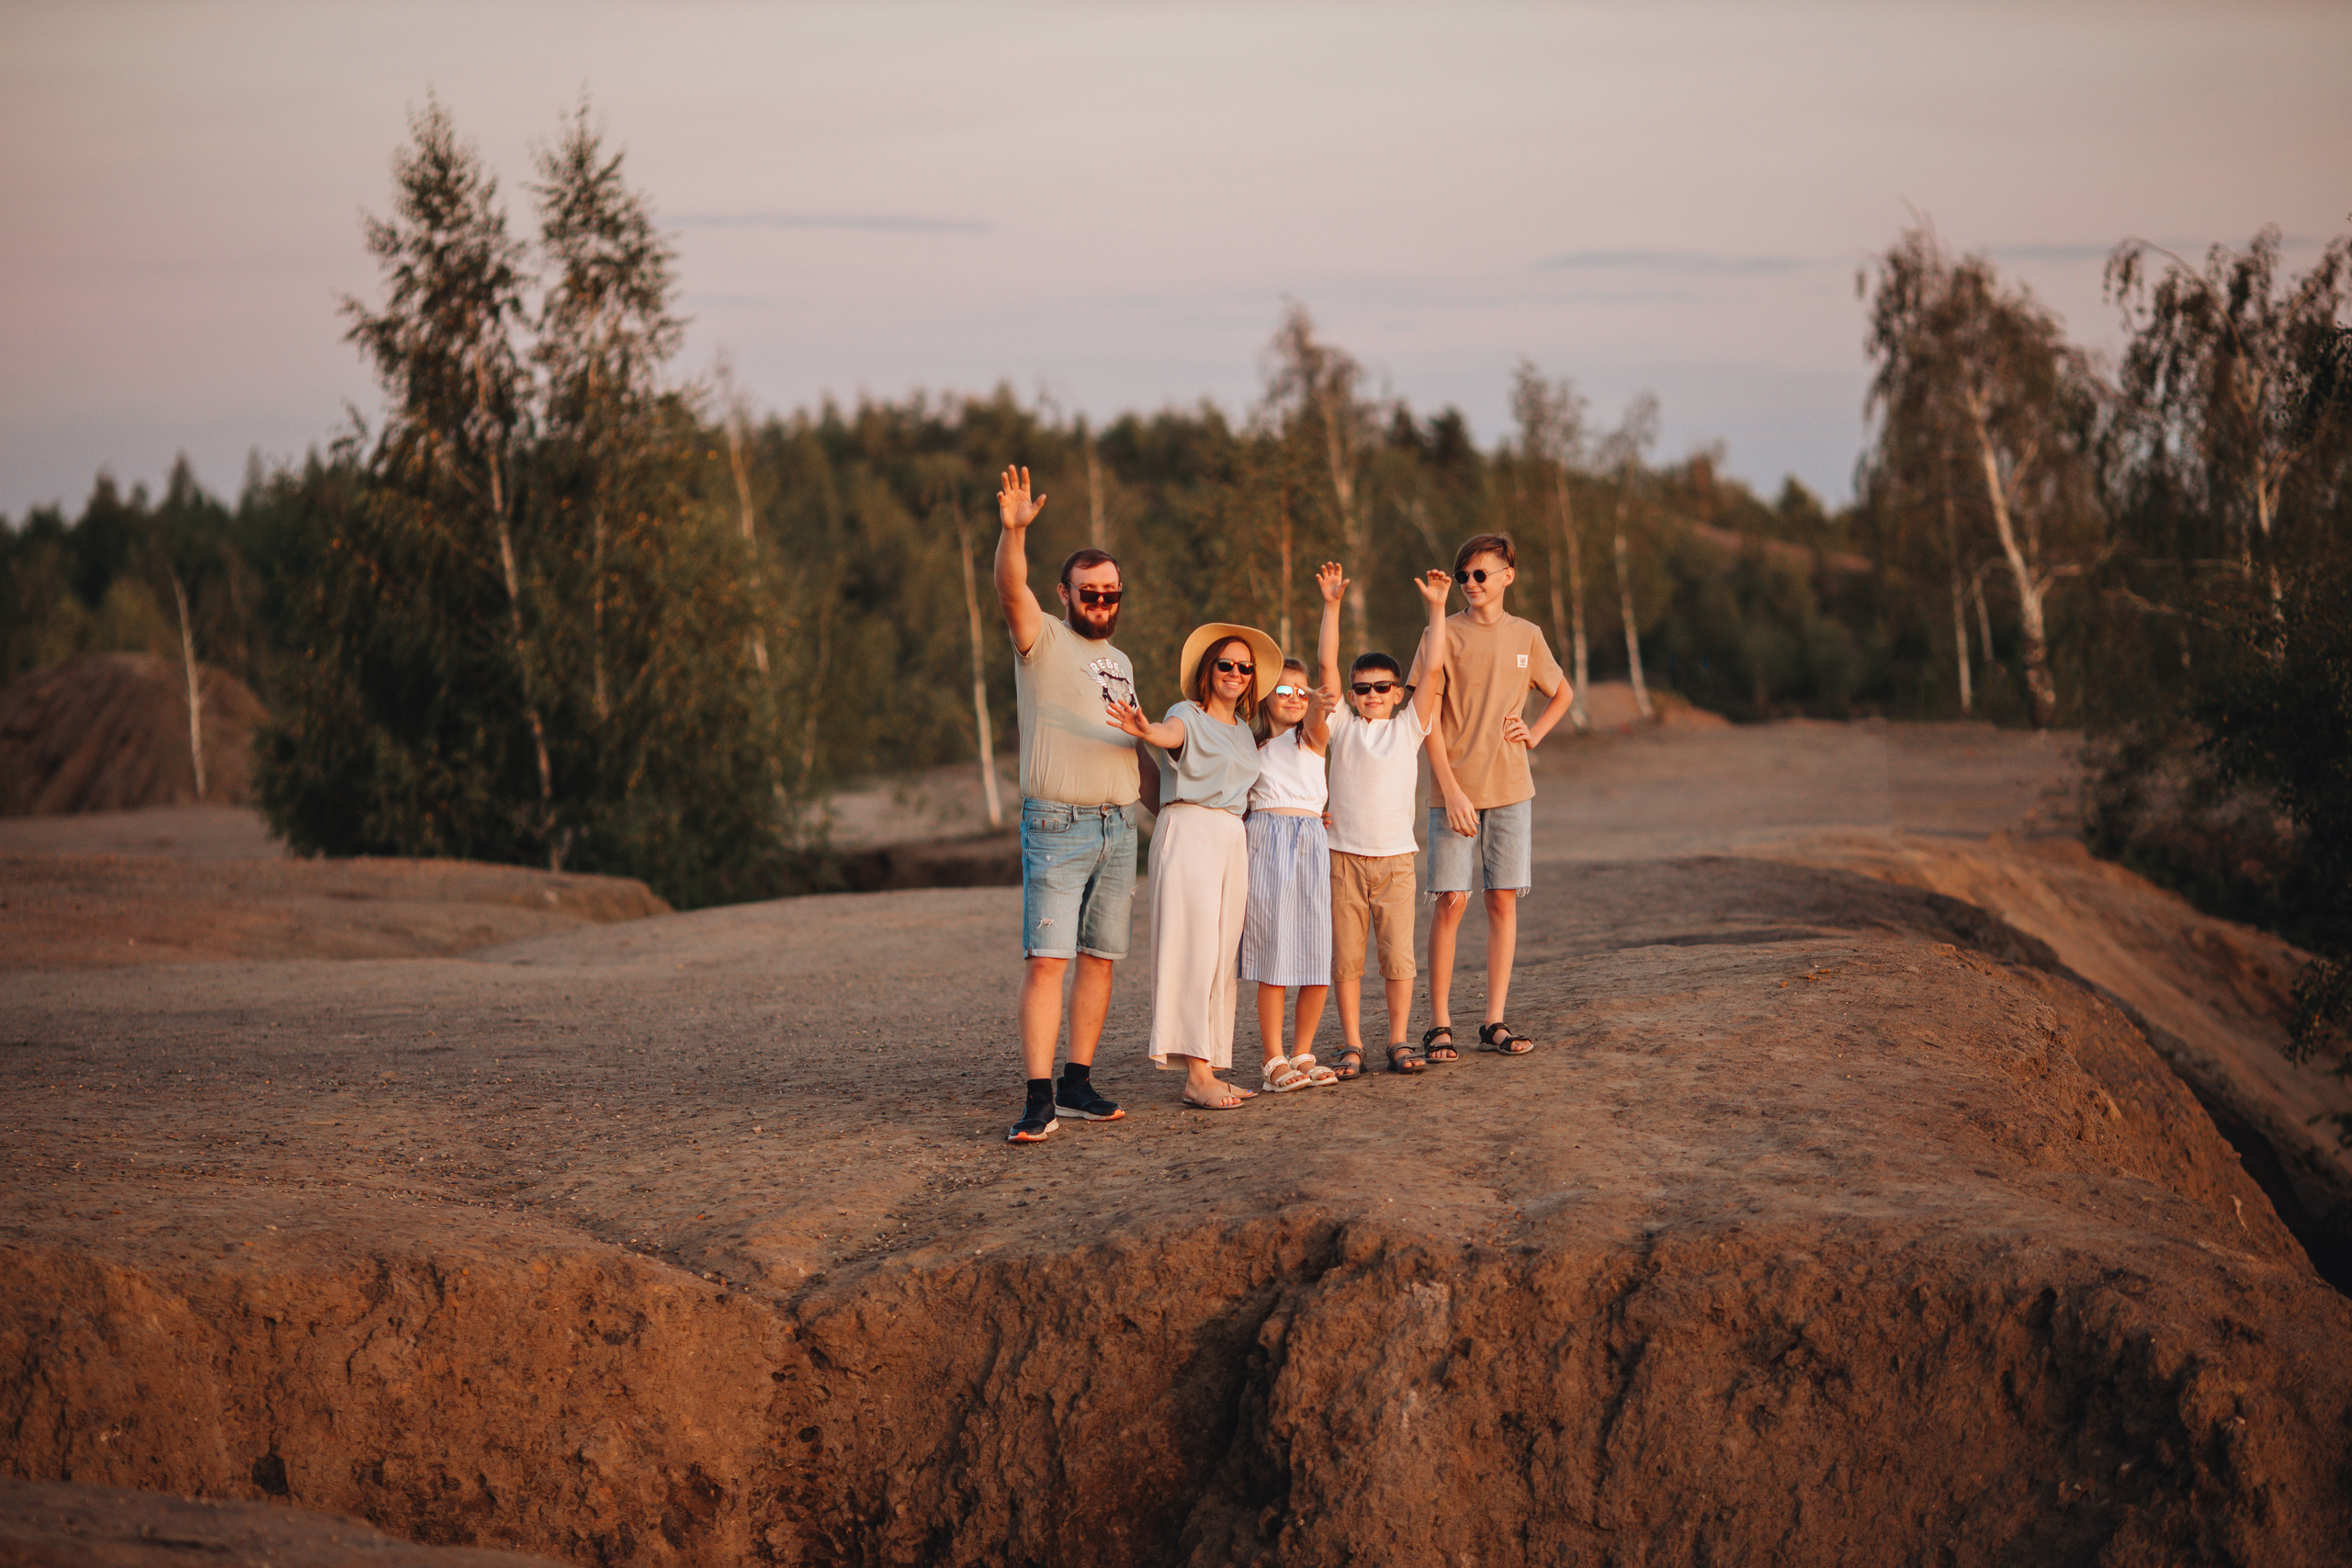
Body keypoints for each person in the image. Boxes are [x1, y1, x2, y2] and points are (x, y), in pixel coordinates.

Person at [994, 464, 1142, 1144]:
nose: (1102, 601)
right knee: (1047, 960)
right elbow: (1008, 587)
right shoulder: (1041, 638)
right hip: (1058, 823)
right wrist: (1012, 532)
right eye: (1090, 591)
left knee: (1101, 957)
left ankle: (1078, 1080)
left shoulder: (1122, 660)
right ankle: (1038, 1096)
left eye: (1112, 592)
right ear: (1066, 592)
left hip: (1120, 826)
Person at [1410, 533, 1576, 1058]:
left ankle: (1494, 1021)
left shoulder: (1527, 635)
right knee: (1451, 903)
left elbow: (1562, 691)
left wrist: (1537, 732)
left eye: (1481, 574)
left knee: (1502, 900)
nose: (1471, 584)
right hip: (1453, 792)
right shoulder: (1442, 634)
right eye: (1464, 576)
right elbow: (1425, 719)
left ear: (1508, 576)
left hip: (1511, 789)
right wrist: (1451, 791)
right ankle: (1439, 1025)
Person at [1106, 622, 1282, 1110]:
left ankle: (1208, 1065)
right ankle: (1197, 1077)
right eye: (1226, 664)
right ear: (1209, 670)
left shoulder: (1245, 732)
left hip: (1231, 836)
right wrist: (1144, 730)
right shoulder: (1186, 713)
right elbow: (1167, 735)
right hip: (1188, 832)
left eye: (1245, 667)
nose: (1236, 673)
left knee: (1222, 955)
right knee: (1194, 949)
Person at [1322, 561, 1456, 1076]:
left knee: (1399, 961)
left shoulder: (1409, 728)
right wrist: (1332, 607)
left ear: (1399, 692)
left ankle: (1399, 1041)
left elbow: (1436, 671)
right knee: (1348, 963)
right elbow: (1327, 669)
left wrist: (1438, 610)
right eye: (1363, 688)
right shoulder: (1342, 727)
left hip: (1397, 862)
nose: (1372, 694)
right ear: (1352, 696)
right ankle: (1352, 1044)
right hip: (1344, 860)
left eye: (1383, 687)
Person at [1239, 633, 1341, 1095]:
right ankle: (1273, 1059)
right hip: (1265, 842)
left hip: (1310, 841)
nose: (1295, 698)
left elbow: (1325, 696)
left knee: (1317, 950)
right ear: (1263, 695)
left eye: (1303, 691)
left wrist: (1331, 608)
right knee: (1274, 952)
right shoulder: (1248, 746)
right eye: (1284, 690)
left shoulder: (1312, 738)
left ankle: (1303, 1052)